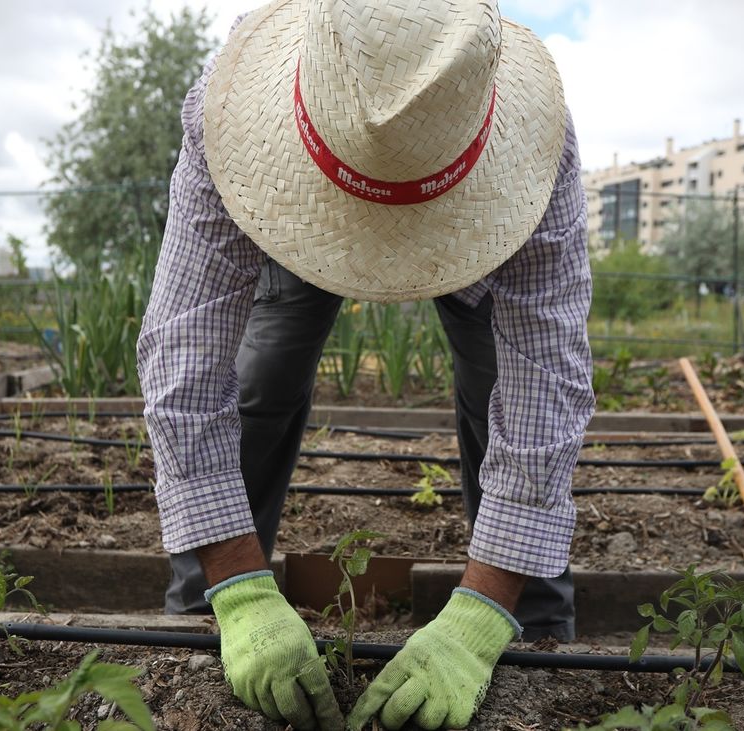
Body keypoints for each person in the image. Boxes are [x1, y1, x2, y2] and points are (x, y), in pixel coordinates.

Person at [136, 0, 594, 728]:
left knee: (500, 390)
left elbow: (547, 379)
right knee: (263, 377)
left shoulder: (536, 151)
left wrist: (478, 615)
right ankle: (208, 607)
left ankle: (528, 625)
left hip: (468, 215)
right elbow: (185, 351)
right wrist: (240, 588)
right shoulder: (228, 115)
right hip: (306, 199)